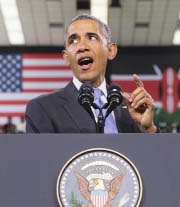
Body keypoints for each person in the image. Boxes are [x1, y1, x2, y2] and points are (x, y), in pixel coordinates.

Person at [25, 14, 158, 134]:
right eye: (73, 41)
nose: (82, 47)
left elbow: (157, 159)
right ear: (66, 57)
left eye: (92, 37)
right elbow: (40, 160)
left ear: (111, 51)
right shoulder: (42, 109)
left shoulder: (131, 109)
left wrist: (148, 130)